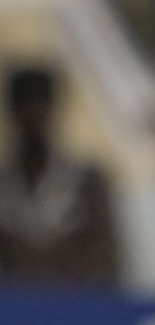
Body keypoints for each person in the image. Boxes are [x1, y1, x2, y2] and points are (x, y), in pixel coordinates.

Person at [0, 69, 121, 286]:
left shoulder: (85, 182)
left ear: (53, 111)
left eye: (41, 105)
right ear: (12, 113)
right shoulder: (6, 184)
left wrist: (55, 269)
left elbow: (109, 259)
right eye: (25, 106)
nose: (33, 116)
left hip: (74, 309)